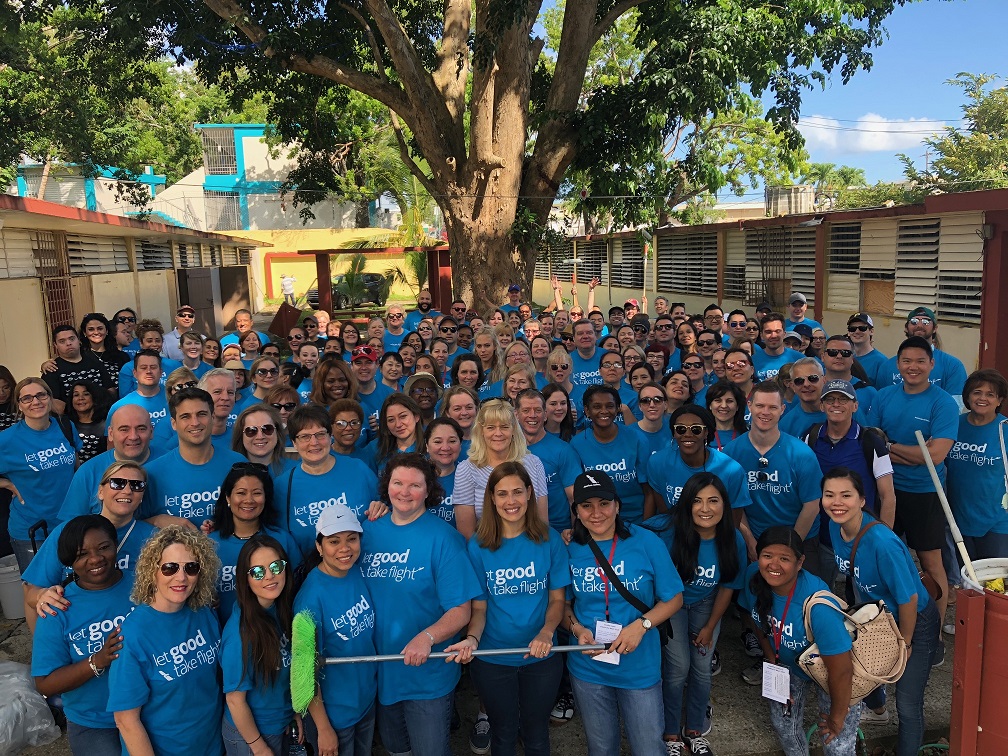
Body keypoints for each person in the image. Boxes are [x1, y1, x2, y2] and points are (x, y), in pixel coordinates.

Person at [445, 462, 571, 756]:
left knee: (536, 732)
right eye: (502, 494)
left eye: (517, 492)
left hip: (540, 656)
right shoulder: (478, 545)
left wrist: (546, 632)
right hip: (494, 658)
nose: (510, 501)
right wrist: (472, 639)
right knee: (503, 732)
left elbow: (557, 601)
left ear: (529, 493)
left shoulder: (549, 539)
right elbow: (479, 608)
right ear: (491, 498)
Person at [361, 453, 482, 756]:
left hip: (426, 674)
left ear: (429, 491)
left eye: (415, 485)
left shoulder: (444, 539)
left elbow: (461, 610)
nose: (404, 492)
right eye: (397, 483)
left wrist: (427, 637)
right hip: (381, 670)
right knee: (396, 749)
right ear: (386, 486)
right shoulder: (367, 531)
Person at [821, 468, 941, 755]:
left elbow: (909, 599)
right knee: (862, 668)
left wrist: (905, 643)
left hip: (914, 621)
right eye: (829, 495)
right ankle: (877, 709)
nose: (837, 503)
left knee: (908, 704)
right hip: (876, 617)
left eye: (846, 495)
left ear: (862, 500)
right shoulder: (834, 527)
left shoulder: (882, 543)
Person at [563, 470, 684, 756]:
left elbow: (674, 598)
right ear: (576, 511)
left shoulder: (646, 542)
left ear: (617, 506)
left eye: (604, 504)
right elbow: (562, 605)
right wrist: (577, 629)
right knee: (601, 749)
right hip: (588, 667)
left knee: (649, 748)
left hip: (639, 667)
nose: (596, 513)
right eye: (586, 506)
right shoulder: (569, 548)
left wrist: (641, 626)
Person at [645, 472, 746, 754]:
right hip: (672, 604)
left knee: (702, 667)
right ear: (687, 504)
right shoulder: (667, 530)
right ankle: (670, 733)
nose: (705, 508)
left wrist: (710, 626)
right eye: (697, 501)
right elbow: (626, 530)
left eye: (713, 501)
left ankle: (695, 730)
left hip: (707, 603)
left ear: (724, 504)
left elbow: (727, 586)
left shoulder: (733, 538)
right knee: (678, 667)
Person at [738, 527, 860, 756]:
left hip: (831, 672)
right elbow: (759, 623)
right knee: (784, 725)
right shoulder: (753, 577)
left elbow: (842, 671)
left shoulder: (818, 606)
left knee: (837, 744)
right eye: (767, 556)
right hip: (787, 664)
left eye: (784, 559)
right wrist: (773, 663)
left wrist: (837, 717)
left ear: (800, 562)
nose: (774, 565)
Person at [866, 336, 959, 633]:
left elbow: (935, 456)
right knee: (883, 557)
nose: (913, 367)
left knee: (931, 562)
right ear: (898, 364)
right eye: (906, 361)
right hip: (886, 489)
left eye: (920, 361)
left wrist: (889, 447)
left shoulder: (942, 402)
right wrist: (914, 453)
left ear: (932, 364)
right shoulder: (883, 396)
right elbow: (871, 444)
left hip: (925, 492)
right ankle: (887, 627)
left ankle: (935, 634)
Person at [108, 526, 223, 756]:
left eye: (191, 567)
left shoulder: (204, 613)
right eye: (170, 568)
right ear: (153, 571)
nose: (181, 577)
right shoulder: (132, 635)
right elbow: (126, 720)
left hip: (213, 747)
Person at [31, 515, 135, 755]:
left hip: (150, 709)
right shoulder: (58, 608)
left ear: (115, 545)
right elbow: (44, 682)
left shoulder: (144, 585)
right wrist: (96, 661)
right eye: (82, 554)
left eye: (103, 547)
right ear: (69, 560)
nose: (95, 559)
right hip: (96, 722)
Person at [23, 461, 156, 625]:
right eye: (117, 483)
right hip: (76, 624)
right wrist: (41, 595)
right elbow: (31, 590)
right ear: (100, 491)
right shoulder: (68, 531)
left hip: (132, 624)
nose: (127, 490)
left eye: (137, 485)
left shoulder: (153, 537)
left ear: (142, 496)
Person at [294, 504, 378, 755]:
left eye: (352, 539)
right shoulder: (309, 600)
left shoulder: (355, 572)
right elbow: (304, 671)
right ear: (319, 547)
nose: (345, 548)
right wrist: (323, 728)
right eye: (334, 541)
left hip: (365, 702)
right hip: (334, 716)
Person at [221, 534, 299, 756]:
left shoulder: (279, 608)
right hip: (252, 737)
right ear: (244, 578)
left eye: (276, 566)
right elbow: (235, 701)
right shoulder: (239, 635)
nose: (269, 576)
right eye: (257, 571)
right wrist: (260, 748)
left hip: (280, 724)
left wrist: (293, 714)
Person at [274, 405, 382, 560]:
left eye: (320, 434)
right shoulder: (282, 487)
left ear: (330, 436)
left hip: (363, 566)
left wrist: (382, 507)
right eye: (305, 437)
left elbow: (383, 506)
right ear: (294, 442)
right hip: (312, 571)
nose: (314, 442)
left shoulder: (358, 469)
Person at [0, 377, 80, 570]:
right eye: (27, 398)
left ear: (50, 398)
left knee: (72, 585)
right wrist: (7, 484)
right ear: (19, 405)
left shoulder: (65, 426)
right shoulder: (7, 440)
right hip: (32, 530)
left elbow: (76, 467)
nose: (35, 402)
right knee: (38, 587)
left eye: (41, 395)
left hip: (69, 524)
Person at [142, 386, 246, 530]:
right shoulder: (151, 473)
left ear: (213, 417)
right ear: (173, 424)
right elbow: (132, 524)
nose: (195, 422)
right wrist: (157, 520)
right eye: (185, 416)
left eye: (201, 414)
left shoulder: (238, 464)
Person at [210, 462, 301, 624]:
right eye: (241, 493)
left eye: (257, 493)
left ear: (266, 497)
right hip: (227, 633)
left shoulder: (282, 539)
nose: (249, 500)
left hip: (278, 630)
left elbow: (299, 588)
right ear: (228, 497)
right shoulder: (210, 544)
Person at [453, 399, 549, 539]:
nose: (498, 433)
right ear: (481, 431)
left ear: (513, 430)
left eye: (504, 427)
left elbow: (542, 521)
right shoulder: (466, 469)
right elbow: (467, 533)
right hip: (487, 546)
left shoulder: (534, 463)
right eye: (491, 427)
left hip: (530, 544)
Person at [945, 369, 1008, 560]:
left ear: (999, 400)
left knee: (993, 576)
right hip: (956, 518)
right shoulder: (952, 425)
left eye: (990, 394)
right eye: (977, 392)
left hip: (997, 522)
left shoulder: (1004, 429)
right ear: (967, 396)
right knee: (963, 576)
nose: (982, 398)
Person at [647, 405, 751, 517]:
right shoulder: (657, 463)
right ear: (674, 433)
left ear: (706, 432)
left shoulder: (732, 470)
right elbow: (665, 514)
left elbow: (733, 519)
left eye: (696, 429)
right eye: (680, 429)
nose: (687, 434)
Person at [571, 385, 655, 524]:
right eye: (597, 406)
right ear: (587, 410)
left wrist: (645, 528)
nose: (604, 411)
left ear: (617, 408)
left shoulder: (637, 439)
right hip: (597, 521)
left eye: (610, 406)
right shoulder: (577, 444)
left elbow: (649, 492)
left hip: (635, 520)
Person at [516, 389, 582, 535]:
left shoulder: (563, 451)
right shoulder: (509, 450)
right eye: (526, 410)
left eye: (538, 410)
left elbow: (575, 499)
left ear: (545, 415)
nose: (532, 415)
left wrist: (575, 534)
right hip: (520, 532)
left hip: (558, 532)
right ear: (516, 414)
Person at [874, 308, 968, 399]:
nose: (919, 325)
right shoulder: (886, 367)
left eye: (926, 321)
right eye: (914, 321)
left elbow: (955, 404)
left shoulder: (953, 366)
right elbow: (881, 400)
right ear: (906, 328)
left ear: (935, 328)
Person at [43, 325, 115, 413]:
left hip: (102, 414)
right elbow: (52, 401)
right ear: (55, 345)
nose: (68, 343)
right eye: (62, 341)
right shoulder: (52, 369)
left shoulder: (94, 361)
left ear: (79, 340)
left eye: (72, 339)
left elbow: (110, 389)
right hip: (70, 418)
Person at [425, 417, 465, 526]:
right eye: (438, 442)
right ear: (427, 445)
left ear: (460, 444)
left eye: (452, 441)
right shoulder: (415, 477)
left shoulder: (469, 477)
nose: (445, 448)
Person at [753, 314, 804, 382]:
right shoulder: (753, 361)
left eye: (777, 331)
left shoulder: (800, 359)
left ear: (784, 334)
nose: (773, 336)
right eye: (768, 332)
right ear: (761, 335)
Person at [632, 381, 672, 457]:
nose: (652, 405)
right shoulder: (629, 434)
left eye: (657, 400)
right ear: (640, 406)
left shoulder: (674, 432)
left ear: (665, 405)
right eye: (645, 400)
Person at [706, 380, 748, 452]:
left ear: (737, 406)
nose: (724, 406)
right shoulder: (702, 435)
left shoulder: (748, 437)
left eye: (729, 401)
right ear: (710, 405)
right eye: (718, 400)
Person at [846, 313, 887, 386]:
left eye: (862, 328)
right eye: (852, 329)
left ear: (871, 331)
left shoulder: (881, 361)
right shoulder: (846, 358)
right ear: (848, 333)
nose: (857, 332)